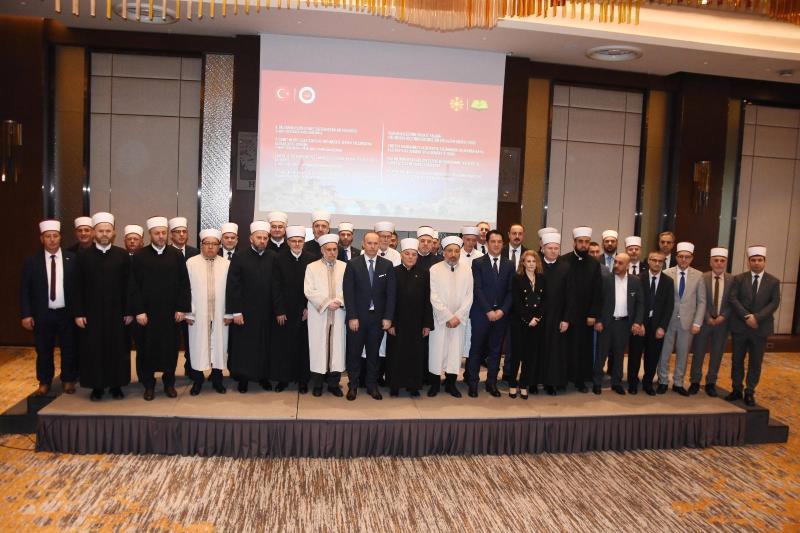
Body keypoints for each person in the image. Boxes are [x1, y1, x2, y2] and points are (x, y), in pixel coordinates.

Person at [127, 216, 191, 401]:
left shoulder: (176, 255)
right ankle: (149, 385)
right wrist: (139, 311)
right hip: (147, 315)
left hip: (170, 314)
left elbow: (184, 284)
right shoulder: (140, 256)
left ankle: (169, 383)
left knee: (170, 349)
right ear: (150, 234)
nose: (161, 236)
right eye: (157, 233)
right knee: (146, 350)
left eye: (163, 233)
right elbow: (133, 286)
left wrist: (181, 308)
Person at [71, 212, 132, 400]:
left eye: (108, 231)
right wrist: (78, 313)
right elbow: (77, 286)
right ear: (94, 233)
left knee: (117, 348)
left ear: (113, 233)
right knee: (94, 349)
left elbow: (129, 286)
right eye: (100, 231)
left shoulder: (122, 255)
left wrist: (129, 311)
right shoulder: (83, 257)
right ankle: (96, 386)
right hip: (92, 313)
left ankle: (116, 385)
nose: (104, 234)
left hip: (117, 312)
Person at [20, 220, 79, 396]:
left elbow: (79, 288)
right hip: (42, 314)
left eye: (55, 236)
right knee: (43, 350)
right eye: (48, 236)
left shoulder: (72, 259)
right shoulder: (32, 261)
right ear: (42, 239)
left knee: (69, 348)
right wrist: (26, 314)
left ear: (60, 237)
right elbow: (25, 289)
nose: (52, 239)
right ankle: (44, 382)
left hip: (66, 313)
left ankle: (68, 380)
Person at [225, 221, 281, 393]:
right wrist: (236, 311)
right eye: (259, 237)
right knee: (245, 347)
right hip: (245, 312)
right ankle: (243, 379)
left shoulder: (273, 257)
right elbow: (233, 286)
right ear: (251, 238)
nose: (262, 241)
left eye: (265, 238)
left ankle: (263, 377)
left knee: (265, 345)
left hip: (266, 312)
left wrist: (278, 310)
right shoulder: (240, 256)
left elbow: (277, 285)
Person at [343, 231, 396, 401]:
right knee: (354, 353)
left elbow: (391, 294)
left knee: (374, 354)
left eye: (375, 243)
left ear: (379, 244)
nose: (372, 246)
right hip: (357, 318)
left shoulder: (387, 265)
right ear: (363, 244)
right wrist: (352, 316)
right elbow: (348, 292)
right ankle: (353, 386)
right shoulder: (352, 264)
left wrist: (388, 317)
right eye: (369, 243)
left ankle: (372, 386)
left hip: (377, 319)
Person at [726, 246, 781, 407]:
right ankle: (736, 389)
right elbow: (733, 299)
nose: (756, 263)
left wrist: (756, 317)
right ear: (748, 262)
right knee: (737, 360)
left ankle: (750, 391)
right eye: (753, 260)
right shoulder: (739, 279)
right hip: (740, 327)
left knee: (755, 362)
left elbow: (774, 303)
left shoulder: (773, 281)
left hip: (760, 328)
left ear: (764, 262)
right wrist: (746, 316)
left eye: (759, 260)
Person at [467, 229, 513, 397]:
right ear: (487, 243)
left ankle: (491, 383)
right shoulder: (478, 263)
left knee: (496, 350)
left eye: (499, 242)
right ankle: (473, 382)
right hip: (481, 313)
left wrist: (502, 310)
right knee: (476, 349)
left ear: (503, 244)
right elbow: (477, 288)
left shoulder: (509, 264)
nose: (496, 244)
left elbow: (511, 291)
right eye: (493, 241)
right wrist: (488, 310)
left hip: (501, 315)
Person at [184, 229, 230, 396]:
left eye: (214, 244)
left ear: (219, 246)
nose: (210, 247)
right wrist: (188, 312)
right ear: (201, 245)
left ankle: (217, 379)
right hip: (197, 313)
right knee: (197, 346)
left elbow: (231, 291)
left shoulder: (226, 264)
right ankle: (198, 381)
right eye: (207, 243)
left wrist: (229, 313)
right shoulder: (191, 263)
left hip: (220, 313)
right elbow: (186, 290)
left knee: (219, 346)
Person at [385, 238, 433, 397]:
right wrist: (390, 322)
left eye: (414, 254)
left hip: (417, 323)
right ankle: (394, 385)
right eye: (407, 254)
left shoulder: (424, 274)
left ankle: (413, 385)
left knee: (415, 355)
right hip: (397, 322)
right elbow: (388, 298)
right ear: (401, 255)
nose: (411, 257)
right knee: (396, 354)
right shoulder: (393, 272)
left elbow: (427, 300)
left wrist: (427, 324)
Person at [657, 242, 706, 395]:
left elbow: (701, 301)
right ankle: (663, 380)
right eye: (681, 256)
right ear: (676, 257)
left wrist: (697, 322)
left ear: (692, 258)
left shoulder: (698, 275)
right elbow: (662, 299)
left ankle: (678, 382)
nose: (684, 259)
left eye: (687, 257)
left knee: (683, 353)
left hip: (688, 322)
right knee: (664, 352)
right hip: (668, 320)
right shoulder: (667, 273)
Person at [271, 225, 315, 393]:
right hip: (285, 311)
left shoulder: (311, 259)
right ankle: (284, 379)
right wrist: (279, 310)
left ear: (304, 241)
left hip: (305, 311)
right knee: (284, 346)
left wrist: (308, 308)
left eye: (300, 241)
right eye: (293, 241)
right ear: (288, 242)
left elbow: (314, 287)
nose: (297, 244)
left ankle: (302, 380)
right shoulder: (279, 259)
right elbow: (275, 286)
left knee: (303, 347)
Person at [593, 253, 644, 395]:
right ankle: (597, 382)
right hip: (606, 323)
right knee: (601, 354)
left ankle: (616, 382)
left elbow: (640, 303)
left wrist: (637, 322)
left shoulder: (635, 281)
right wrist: (598, 320)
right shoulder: (606, 279)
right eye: (615, 262)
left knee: (619, 354)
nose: (616, 265)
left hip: (624, 324)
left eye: (620, 263)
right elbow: (598, 301)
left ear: (627, 265)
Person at [428, 236, 473, 397]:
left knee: (455, 352)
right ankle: (434, 384)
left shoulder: (467, 270)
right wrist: (447, 316)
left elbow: (469, 296)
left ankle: (451, 384)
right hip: (440, 319)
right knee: (437, 351)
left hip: (459, 320)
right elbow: (433, 295)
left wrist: (458, 317)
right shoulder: (435, 269)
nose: (453, 254)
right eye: (449, 251)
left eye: (456, 251)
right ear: (444, 252)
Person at [304, 234, 347, 397]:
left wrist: (339, 301)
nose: (332, 253)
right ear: (322, 250)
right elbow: (309, 290)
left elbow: (349, 288)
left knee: (337, 349)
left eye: (335, 249)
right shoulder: (312, 267)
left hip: (339, 313)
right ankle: (318, 384)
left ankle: (334, 384)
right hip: (319, 314)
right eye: (328, 250)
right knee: (319, 348)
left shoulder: (345, 267)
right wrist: (327, 303)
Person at [561, 226, 603, 393]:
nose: (584, 245)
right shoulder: (564, 260)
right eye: (580, 242)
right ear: (574, 243)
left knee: (582, 349)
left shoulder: (594, 263)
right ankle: (563, 379)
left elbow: (598, 291)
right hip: (566, 314)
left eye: (586, 242)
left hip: (585, 315)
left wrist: (593, 314)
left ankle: (580, 380)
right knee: (565, 347)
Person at [627, 251, 674, 395]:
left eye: (660, 261)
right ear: (648, 261)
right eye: (654, 260)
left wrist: (662, 327)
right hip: (639, 324)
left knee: (652, 357)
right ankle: (632, 383)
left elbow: (669, 306)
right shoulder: (637, 278)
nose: (657, 263)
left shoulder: (668, 281)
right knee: (634, 355)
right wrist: (638, 322)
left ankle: (648, 383)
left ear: (663, 263)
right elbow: (633, 303)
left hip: (657, 326)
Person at [688, 247, 732, 397]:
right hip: (704, 321)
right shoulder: (702, 277)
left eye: (722, 260)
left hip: (722, 324)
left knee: (717, 354)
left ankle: (711, 383)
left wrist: (723, 316)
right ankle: (695, 381)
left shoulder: (732, 280)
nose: (719, 263)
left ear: (726, 262)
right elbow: (699, 300)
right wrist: (707, 317)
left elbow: (733, 301)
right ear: (710, 262)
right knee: (698, 352)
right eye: (716, 260)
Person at [508, 250, 545, 399]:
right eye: (528, 261)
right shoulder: (517, 279)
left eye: (533, 261)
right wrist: (528, 318)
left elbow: (544, 301)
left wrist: (537, 318)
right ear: (523, 263)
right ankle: (512, 384)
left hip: (536, 323)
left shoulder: (542, 278)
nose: (531, 264)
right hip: (519, 322)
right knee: (516, 355)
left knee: (530, 356)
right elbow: (516, 302)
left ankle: (523, 385)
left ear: (537, 263)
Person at [539, 232, 568, 395]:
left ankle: (551, 383)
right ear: (543, 249)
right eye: (550, 248)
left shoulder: (565, 267)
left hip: (558, 316)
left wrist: (566, 319)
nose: (553, 251)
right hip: (539, 316)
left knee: (555, 351)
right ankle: (535, 381)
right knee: (538, 349)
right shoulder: (536, 265)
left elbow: (571, 296)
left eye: (556, 248)